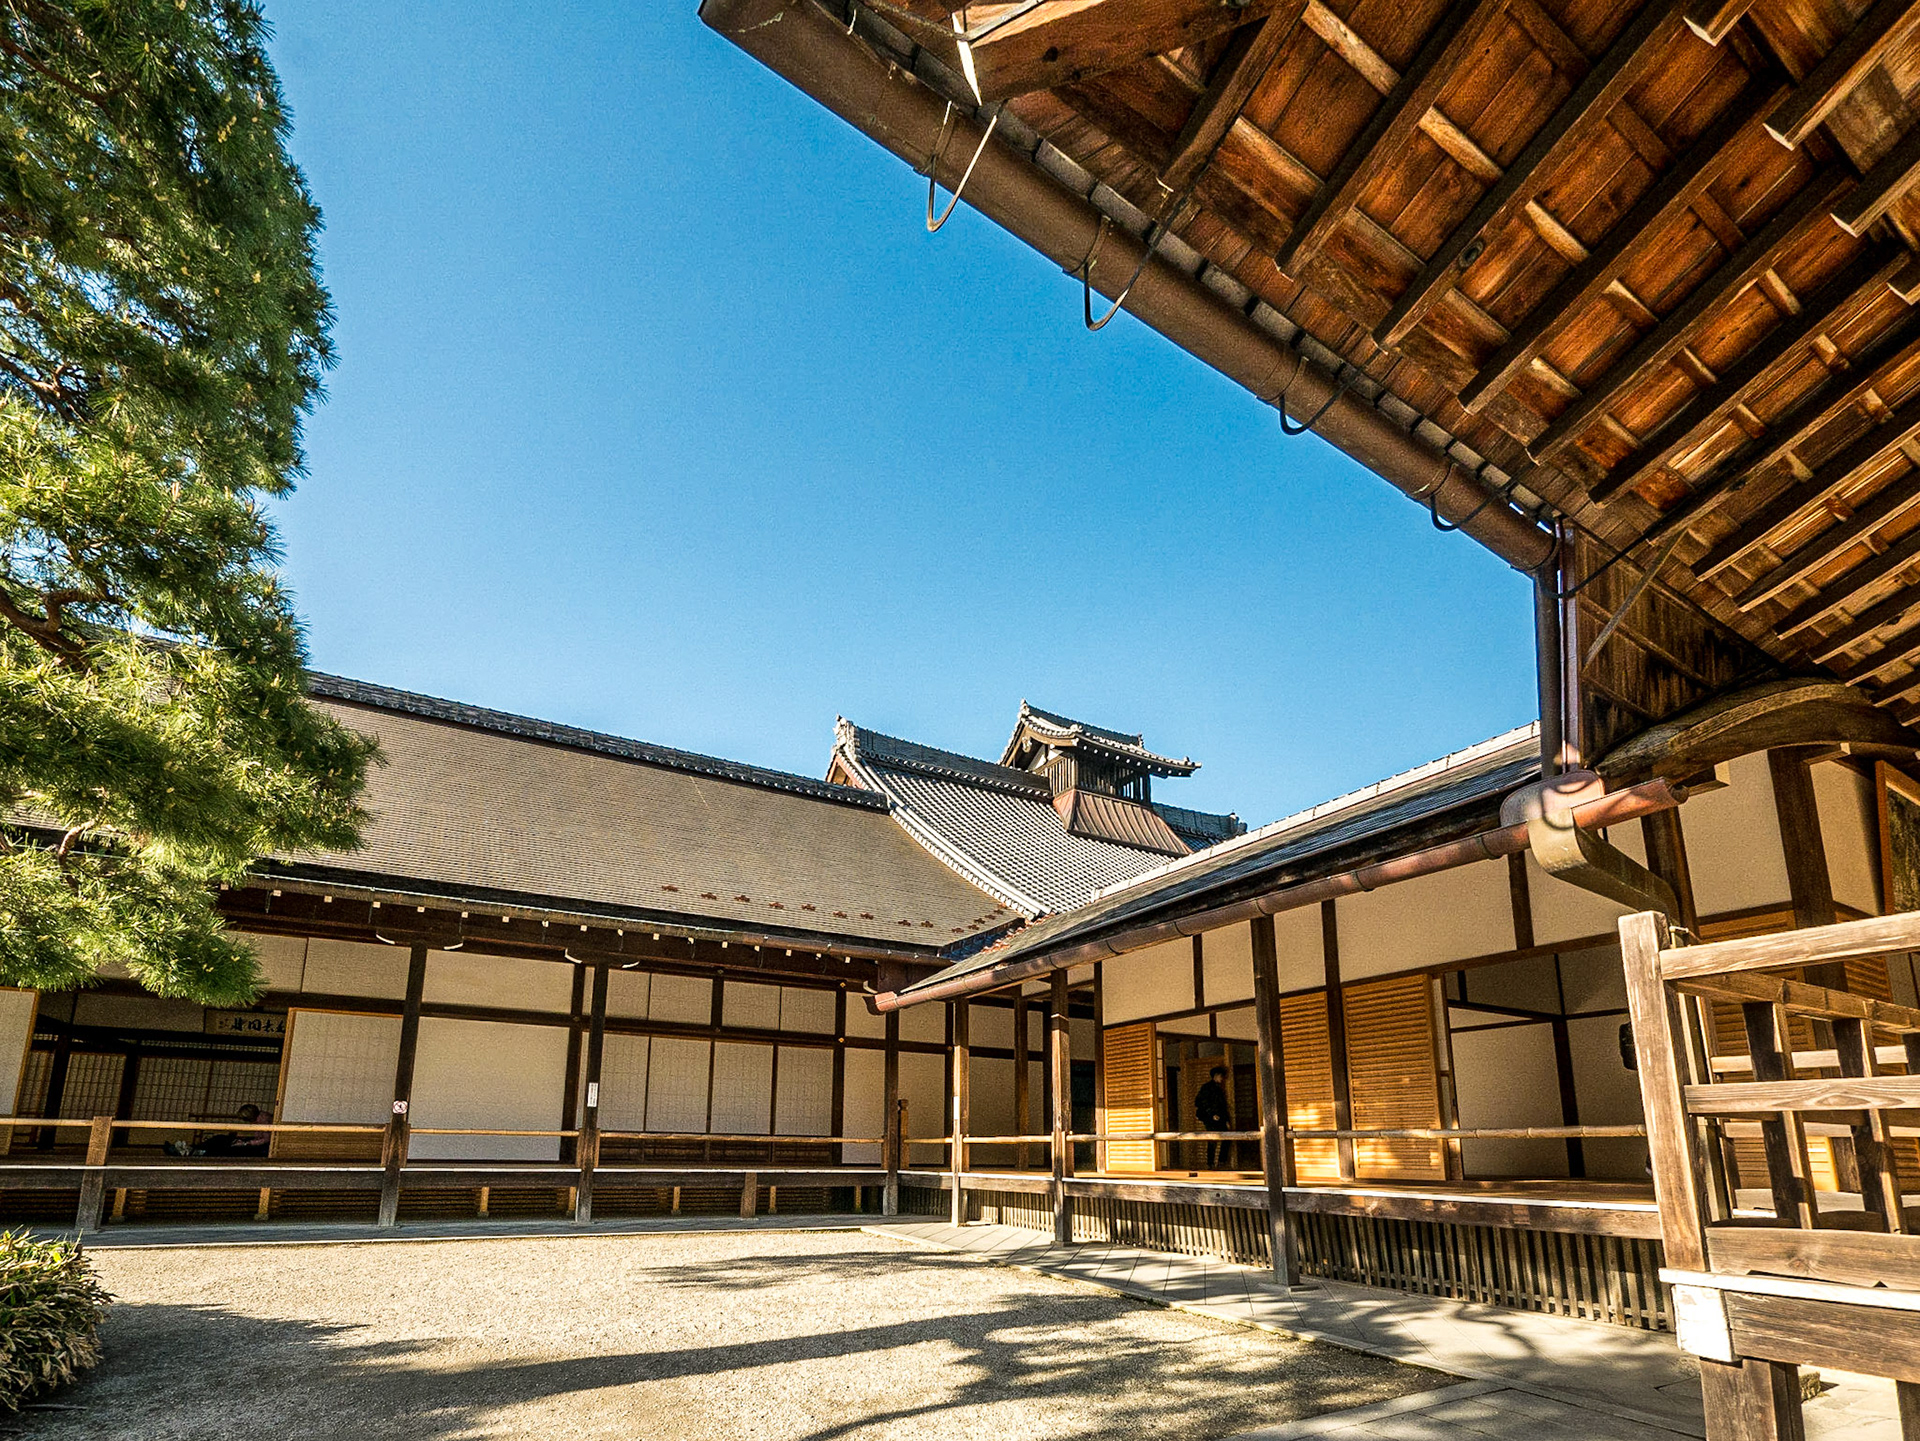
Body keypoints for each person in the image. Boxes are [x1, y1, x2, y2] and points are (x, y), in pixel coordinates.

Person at [1194, 1065, 1233, 1170]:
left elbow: (1223, 1106)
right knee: (1212, 1139)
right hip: (1209, 1117)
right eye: (1221, 1076)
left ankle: (1222, 1162)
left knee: (1227, 1138)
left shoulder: (1220, 1089)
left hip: (1220, 1117)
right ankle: (1210, 1163)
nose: (1222, 1078)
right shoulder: (1206, 1088)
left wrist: (1227, 1120)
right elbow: (1199, 1102)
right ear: (1216, 1076)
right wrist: (1211, 1114)